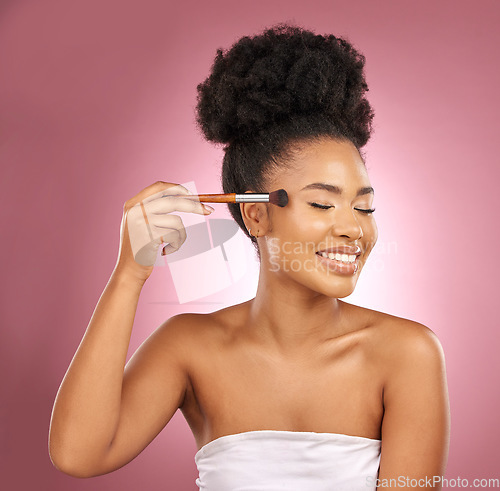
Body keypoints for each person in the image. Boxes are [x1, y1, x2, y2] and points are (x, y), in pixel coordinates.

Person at [48, 23, 450, 489]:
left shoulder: (407, 354)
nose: (352, 228)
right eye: (322, 203)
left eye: (364, 206)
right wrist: (130, 273)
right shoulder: (189, 346)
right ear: (257, 216)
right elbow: (79, 454)